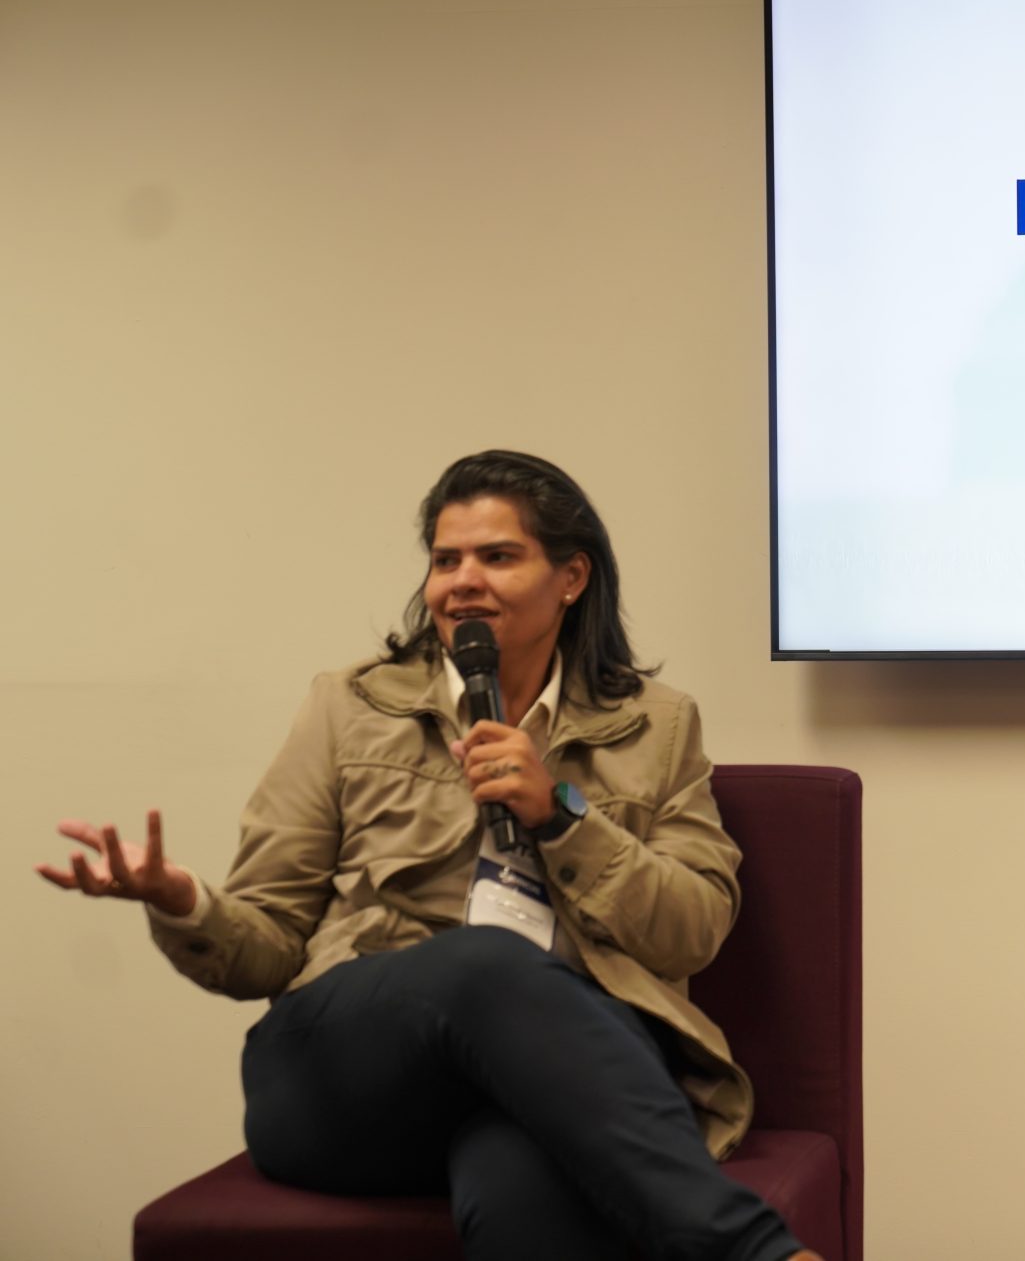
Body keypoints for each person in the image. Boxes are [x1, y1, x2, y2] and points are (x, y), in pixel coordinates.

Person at [37, 450, 823, 1261]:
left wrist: (562, 816)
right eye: (446, 560)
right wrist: (184, 903)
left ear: (572, 577)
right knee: (485, 960)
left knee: (527, 1183)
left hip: (550, 1081)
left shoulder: (656, 726)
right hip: (346, 1082)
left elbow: (693, 930)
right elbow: (264, 948)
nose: (462, 582)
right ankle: (758, 1252)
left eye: (498, 556)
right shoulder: (347, 708)